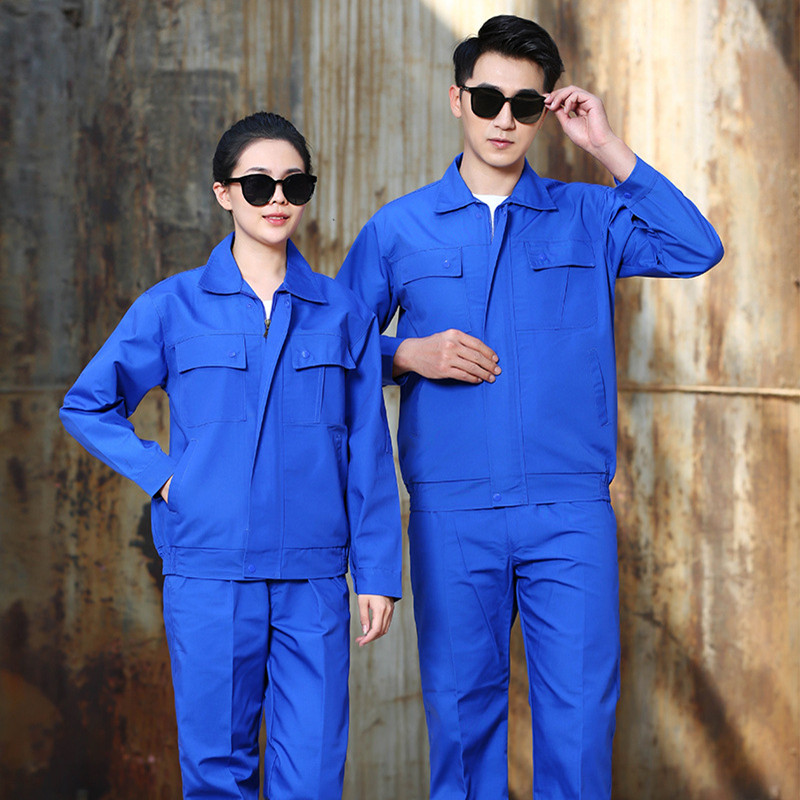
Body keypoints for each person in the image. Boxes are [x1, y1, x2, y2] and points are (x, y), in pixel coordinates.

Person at [337, 15, 723, 800]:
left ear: (546, 110)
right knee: (462, 726)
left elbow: (697, 247)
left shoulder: (590, 215)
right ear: (458, 99)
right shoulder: (399, 229)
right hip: (453, 514)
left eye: (524, 104)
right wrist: (404, 354)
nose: (504, 120)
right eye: (487, 100)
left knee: (579, 727)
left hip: (570, 513)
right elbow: (329, 351)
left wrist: (607, 147)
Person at [59, 111, 401, 800]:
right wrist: (168, 480)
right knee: (217, 774)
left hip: (312, 577)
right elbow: (86, 404)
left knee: (313, 778)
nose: (278, 199)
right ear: (224, 192)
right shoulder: (172, 307)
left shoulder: (343, 314)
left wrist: (377, 573)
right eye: (258, 184)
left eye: (294, 184)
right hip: (210, 572)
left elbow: (368, 448)